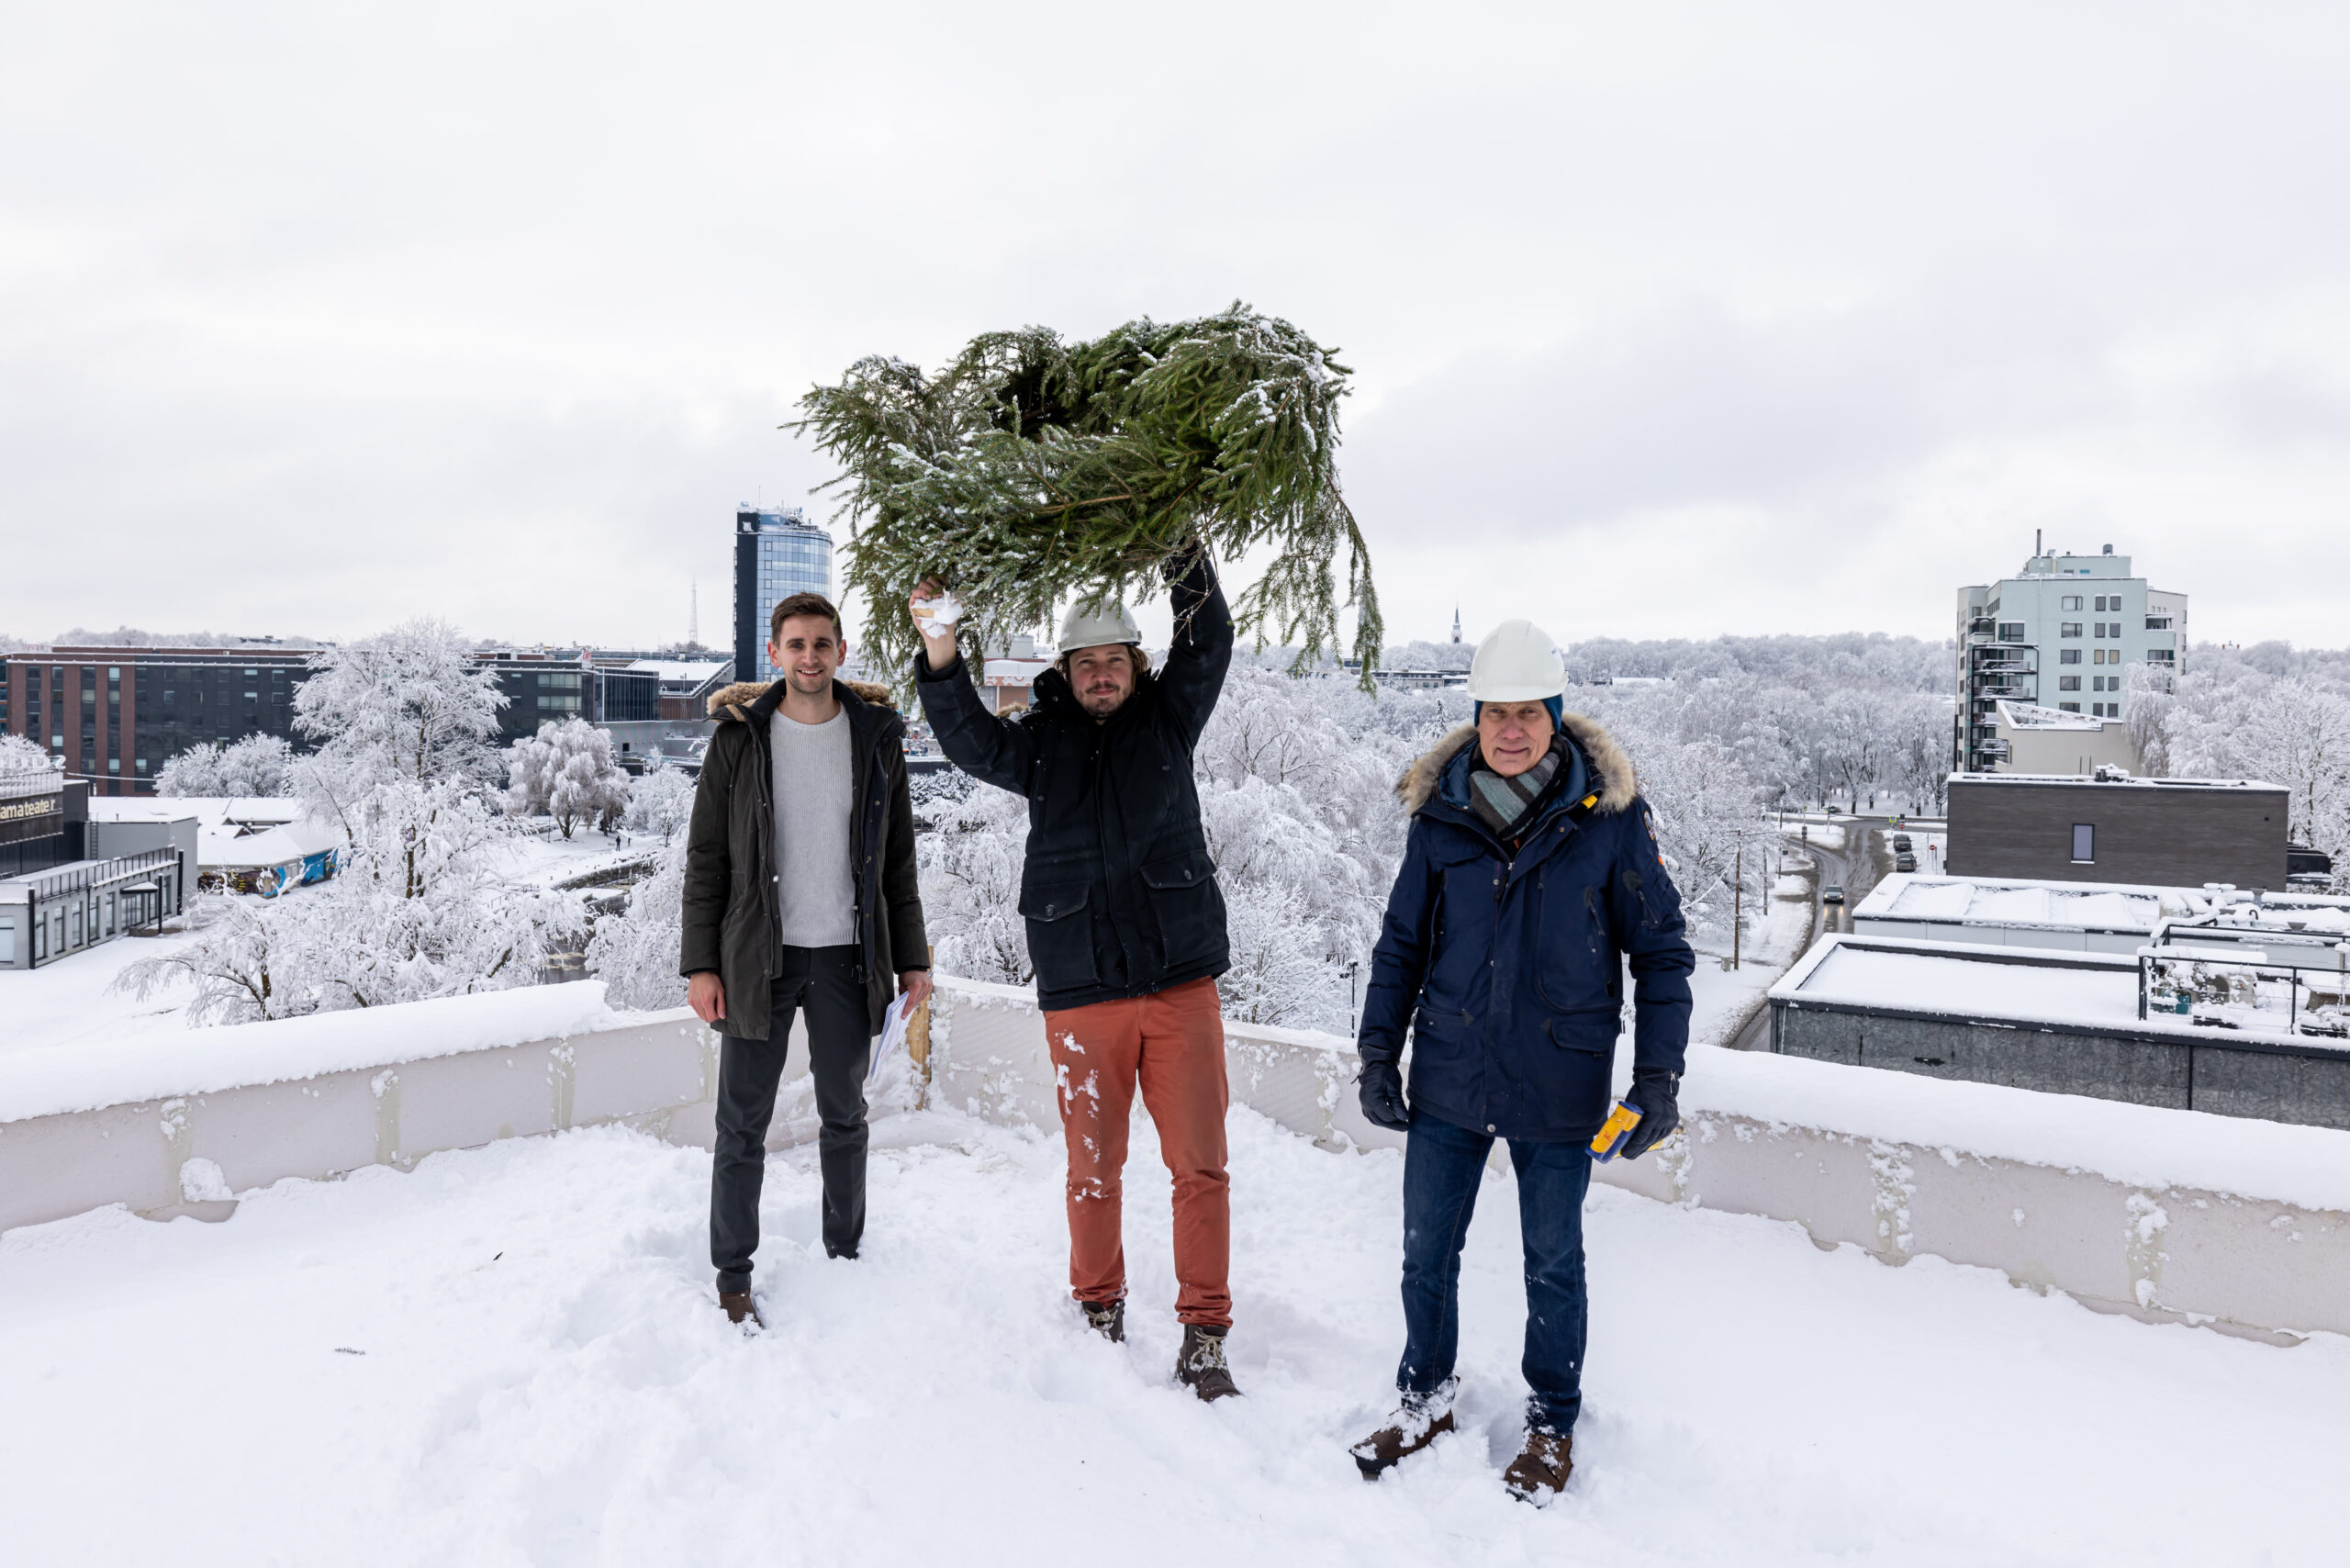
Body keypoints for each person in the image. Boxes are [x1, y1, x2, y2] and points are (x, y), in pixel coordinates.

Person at [1347, 619, 1695, 1501]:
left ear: (1556, 716)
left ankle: (1552, 1422)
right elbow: (1400, 949)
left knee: (1553, 1263)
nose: (1511, 730)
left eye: (1528, 714)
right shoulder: (1442, 816)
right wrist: (1379, 1053)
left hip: (1559, 1080)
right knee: (1427, 1256)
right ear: (1477, 717)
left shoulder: (1609, 822)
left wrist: (1658, 1078)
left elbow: (1661, 953)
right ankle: (1423, 1397)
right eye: (1495, 713)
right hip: (1452, 1079)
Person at [910, 543, 1240, 1401]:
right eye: (1086, 663)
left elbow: (1209, 642)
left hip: (1179, 985)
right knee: (1092, 1166)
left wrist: (1180, 546)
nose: (1101, 675)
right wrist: (943, 650)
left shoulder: (1171, 721)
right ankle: (1100, 1305)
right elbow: (967, 738)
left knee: (1199, 1167)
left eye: (1115, 661)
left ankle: (1205, 1329)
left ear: (1137, 664)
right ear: (1067, 670)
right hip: (1082, 990)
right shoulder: (1041, 746)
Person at [680, 591, 932, 1329]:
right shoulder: (738, 739)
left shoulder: (878, 736)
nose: (810, 656)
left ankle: (844, 1254)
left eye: (822, 643)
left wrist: (911, 959)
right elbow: (707, 860)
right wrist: (702, 965)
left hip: (850, 958)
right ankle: (733, 1276)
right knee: (741, 1127)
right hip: (760, 958)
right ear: (775, 655)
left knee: (845, 1116)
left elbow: (899, 863)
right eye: (796, 644)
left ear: (841, 651)